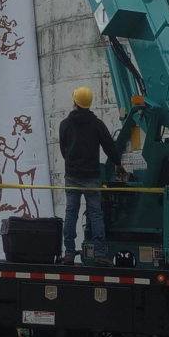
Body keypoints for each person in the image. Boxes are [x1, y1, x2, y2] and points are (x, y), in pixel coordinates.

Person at [59, 86, 121, 265]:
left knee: (71, 214)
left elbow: (64, 150)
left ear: (75, 102)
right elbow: (109, 146)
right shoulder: (97, 124)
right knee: (96, 215)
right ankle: (100, 254)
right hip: (92, 177)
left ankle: (69, 253)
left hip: (71, 176)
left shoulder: (65, 124)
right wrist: (118, 164)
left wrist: (71, 164)